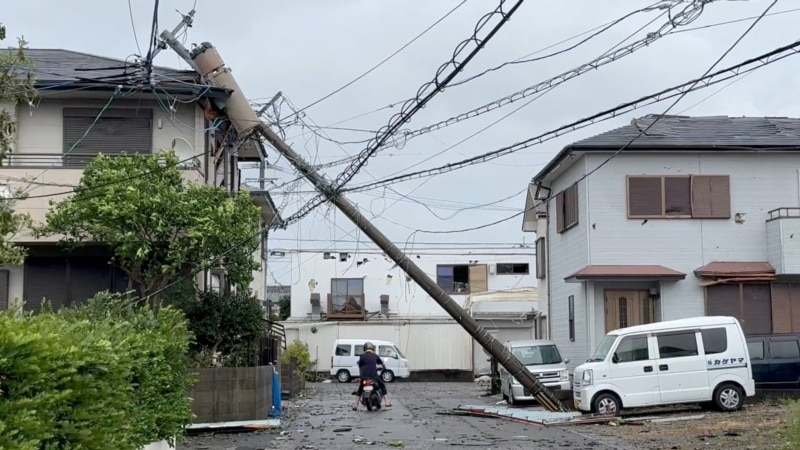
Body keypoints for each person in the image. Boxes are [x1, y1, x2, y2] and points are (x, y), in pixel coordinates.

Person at [352, 341, 391, 410]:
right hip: (374, 376)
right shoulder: (375, 355)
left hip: (364, 377)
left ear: (365, 349)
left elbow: (360, 365)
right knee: (382, 385)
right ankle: (387, 402)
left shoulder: (362, 356)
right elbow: (381, 363)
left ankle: (355, 405)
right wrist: (383, 367)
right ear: (372, 348)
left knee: (360, 389)